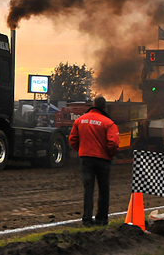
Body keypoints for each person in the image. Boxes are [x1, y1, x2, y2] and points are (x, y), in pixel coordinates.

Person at [68, 96, 120, 227]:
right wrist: (111, 155)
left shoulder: (80, 120)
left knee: (88, 189)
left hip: (86, 159)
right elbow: (113, 143)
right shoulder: (109, 123)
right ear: (104, 106)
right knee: (103, 190)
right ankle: (101, 219)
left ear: (93, 104)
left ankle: (87, 219)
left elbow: (72, 140)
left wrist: (81, 150)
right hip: (103, 160)